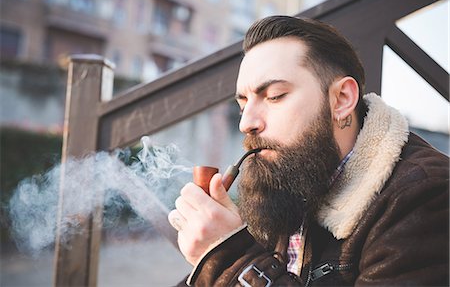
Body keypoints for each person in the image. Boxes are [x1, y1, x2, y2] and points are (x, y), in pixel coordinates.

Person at [168, 16, 449, 286]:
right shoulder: (297, 174)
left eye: (275, 96)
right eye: (243, 103)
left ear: (341, 99)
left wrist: (226, 260)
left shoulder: (425, 196)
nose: (246, 123)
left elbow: (234, 265)